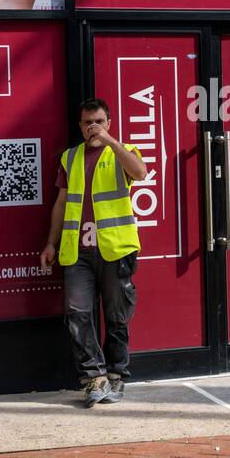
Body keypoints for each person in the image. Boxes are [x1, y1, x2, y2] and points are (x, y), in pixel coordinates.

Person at [41, 100, 148, 407]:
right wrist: (51, 242)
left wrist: (110, 142)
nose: (93, 128)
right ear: (80, 125)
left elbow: (140, 173)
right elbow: (61, 204)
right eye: (88, 122)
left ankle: (116, 376)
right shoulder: (71, 157)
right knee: (77, 314)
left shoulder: (123, 152)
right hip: (77, 252)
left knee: (117, 317)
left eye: (99, 121)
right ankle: (93, 378)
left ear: (109, 122)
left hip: (115, 248)